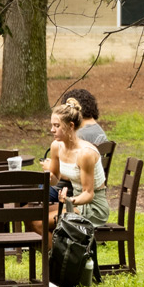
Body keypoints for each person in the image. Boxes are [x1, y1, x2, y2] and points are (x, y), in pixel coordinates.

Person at [42, 98, 109, 229]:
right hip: (74, 202)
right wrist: (48, 176)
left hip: (93, 207)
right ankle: (57, 249)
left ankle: (61, 250)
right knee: (32, 216)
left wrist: (70, 201)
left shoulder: (85, 154)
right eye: (52, 125)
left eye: (57, 126)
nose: (52, 130)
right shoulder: (56, 146)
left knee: (41, 222)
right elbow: (55, 179)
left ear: (71, 126)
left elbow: (88, 194)